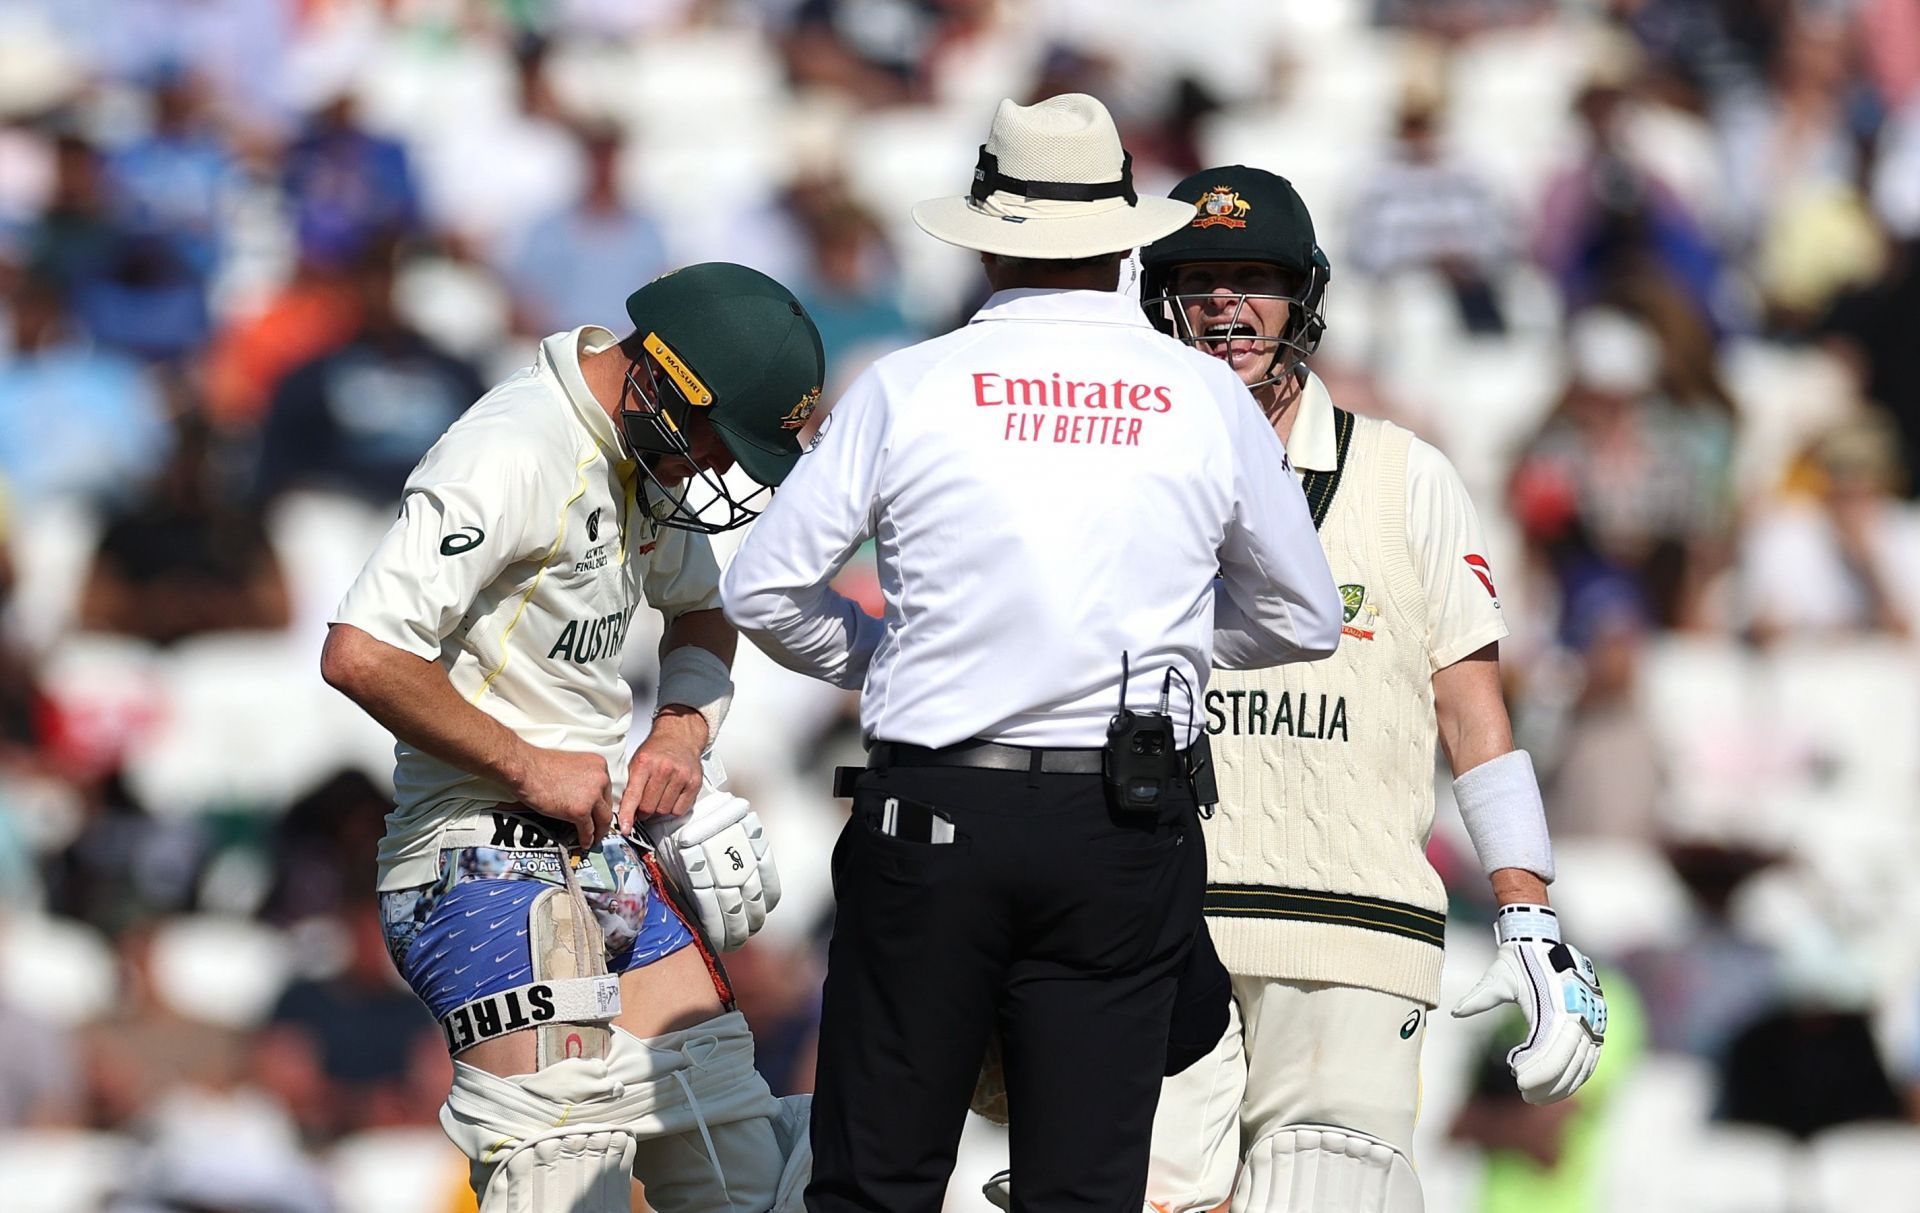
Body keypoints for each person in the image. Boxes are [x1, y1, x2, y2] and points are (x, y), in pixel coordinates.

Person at [720, 95, 1344, 1213]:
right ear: (1124, 237)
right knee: (1085, 1191)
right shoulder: (1201, 393)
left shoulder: (910, 385)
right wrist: (1159, 653)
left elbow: (762, 585)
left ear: (991, 233)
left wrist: (886, 652)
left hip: (934, 806)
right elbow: (1303, 616)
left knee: (876, 1179)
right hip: (1120, 813)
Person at [1116, 165, 1607, 1213]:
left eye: (1256, 277)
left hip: (1353, 933)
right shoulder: (1114, 473)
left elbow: (1473, 711)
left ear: (1305, 297)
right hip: (1154, 926)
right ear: (1161, 298)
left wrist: (1528, 917)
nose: (1225, 304)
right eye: (1198, 278)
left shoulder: (1404, 474)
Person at [319, 262, 821, 1213]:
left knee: (736, 1166)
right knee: (561, 1167)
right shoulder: (514, 449)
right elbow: (361, 650)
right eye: (721, 440)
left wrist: (679, 732)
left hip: (606, 857)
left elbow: (705, 612)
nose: (718, 469)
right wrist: (523, 762)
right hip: (469, 856)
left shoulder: (637, 448)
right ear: (667, 382)